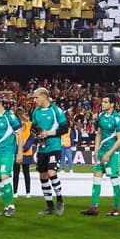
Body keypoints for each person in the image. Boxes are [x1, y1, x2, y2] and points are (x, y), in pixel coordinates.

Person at [82, 94, 120, 217]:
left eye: (106, 102)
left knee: (114, 181)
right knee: (96, 178)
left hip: (113, 154)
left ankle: (116, 209)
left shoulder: (117, 118)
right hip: (101, 153)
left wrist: (108, 154)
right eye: (103, 101)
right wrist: (96, 150)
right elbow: (99, 134)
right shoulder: (101, 116)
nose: (103, 104)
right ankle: (94, 207)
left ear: (112, 104)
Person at [30, 87, 68, 216]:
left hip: (54, 147)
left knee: (52, 173)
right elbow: (33, 127)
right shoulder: (36, 112)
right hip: (42, 148)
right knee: (43, 176)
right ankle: (50, 207)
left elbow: (65, 128)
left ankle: (60, 200)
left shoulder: (55, 110)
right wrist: (37, 135)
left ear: (44, 96)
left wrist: (49, 133)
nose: (34, 100)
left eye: (36, 97)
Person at [14, 117, 35, 198]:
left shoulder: (29, 125)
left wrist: (24, 148)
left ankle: (28, 192)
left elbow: (32, 137)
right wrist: (18, 149)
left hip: (26, 153)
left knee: (26, 173)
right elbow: (13, 140)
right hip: (17, 153)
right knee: (16, 173)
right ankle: (15, 192)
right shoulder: (15, 129)